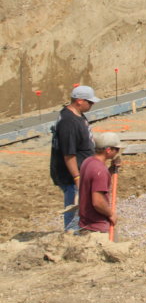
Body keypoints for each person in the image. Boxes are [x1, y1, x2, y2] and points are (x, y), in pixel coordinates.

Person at [49, 85, 99, 231]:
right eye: (89, 102)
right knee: (74, 208)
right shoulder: (69, 122)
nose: (92, 105)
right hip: (70, 176)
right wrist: (77, 178)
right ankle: (70, 235)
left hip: (79, 171)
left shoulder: (77, 115)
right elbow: (69, 155)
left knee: (81, 206)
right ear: (79, 101)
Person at [77, 132, 121, 236]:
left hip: (85, 223)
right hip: (96, 227)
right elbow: (97, 202)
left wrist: (111, 169)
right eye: (117, 150)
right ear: (108, 150)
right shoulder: (100, 170)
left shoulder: (88, 162)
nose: (118, 153)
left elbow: (98, 182)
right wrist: (111, 214)